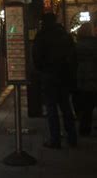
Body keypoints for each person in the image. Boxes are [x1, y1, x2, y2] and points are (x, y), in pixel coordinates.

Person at [32, 12, 77, 149]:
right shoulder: (65, 35)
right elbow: (73, 56)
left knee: (51, 109)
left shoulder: (42, 36)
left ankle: (55, 139)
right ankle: (72, 138)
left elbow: (36, 57)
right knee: (66, 107)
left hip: (49, 76)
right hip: (64, 76)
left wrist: (42, 70)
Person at [74, 22, 97, 137]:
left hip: (82, 76)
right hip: (96, 76)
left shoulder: (78, 45)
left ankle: (84, 129)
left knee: (86, 106)